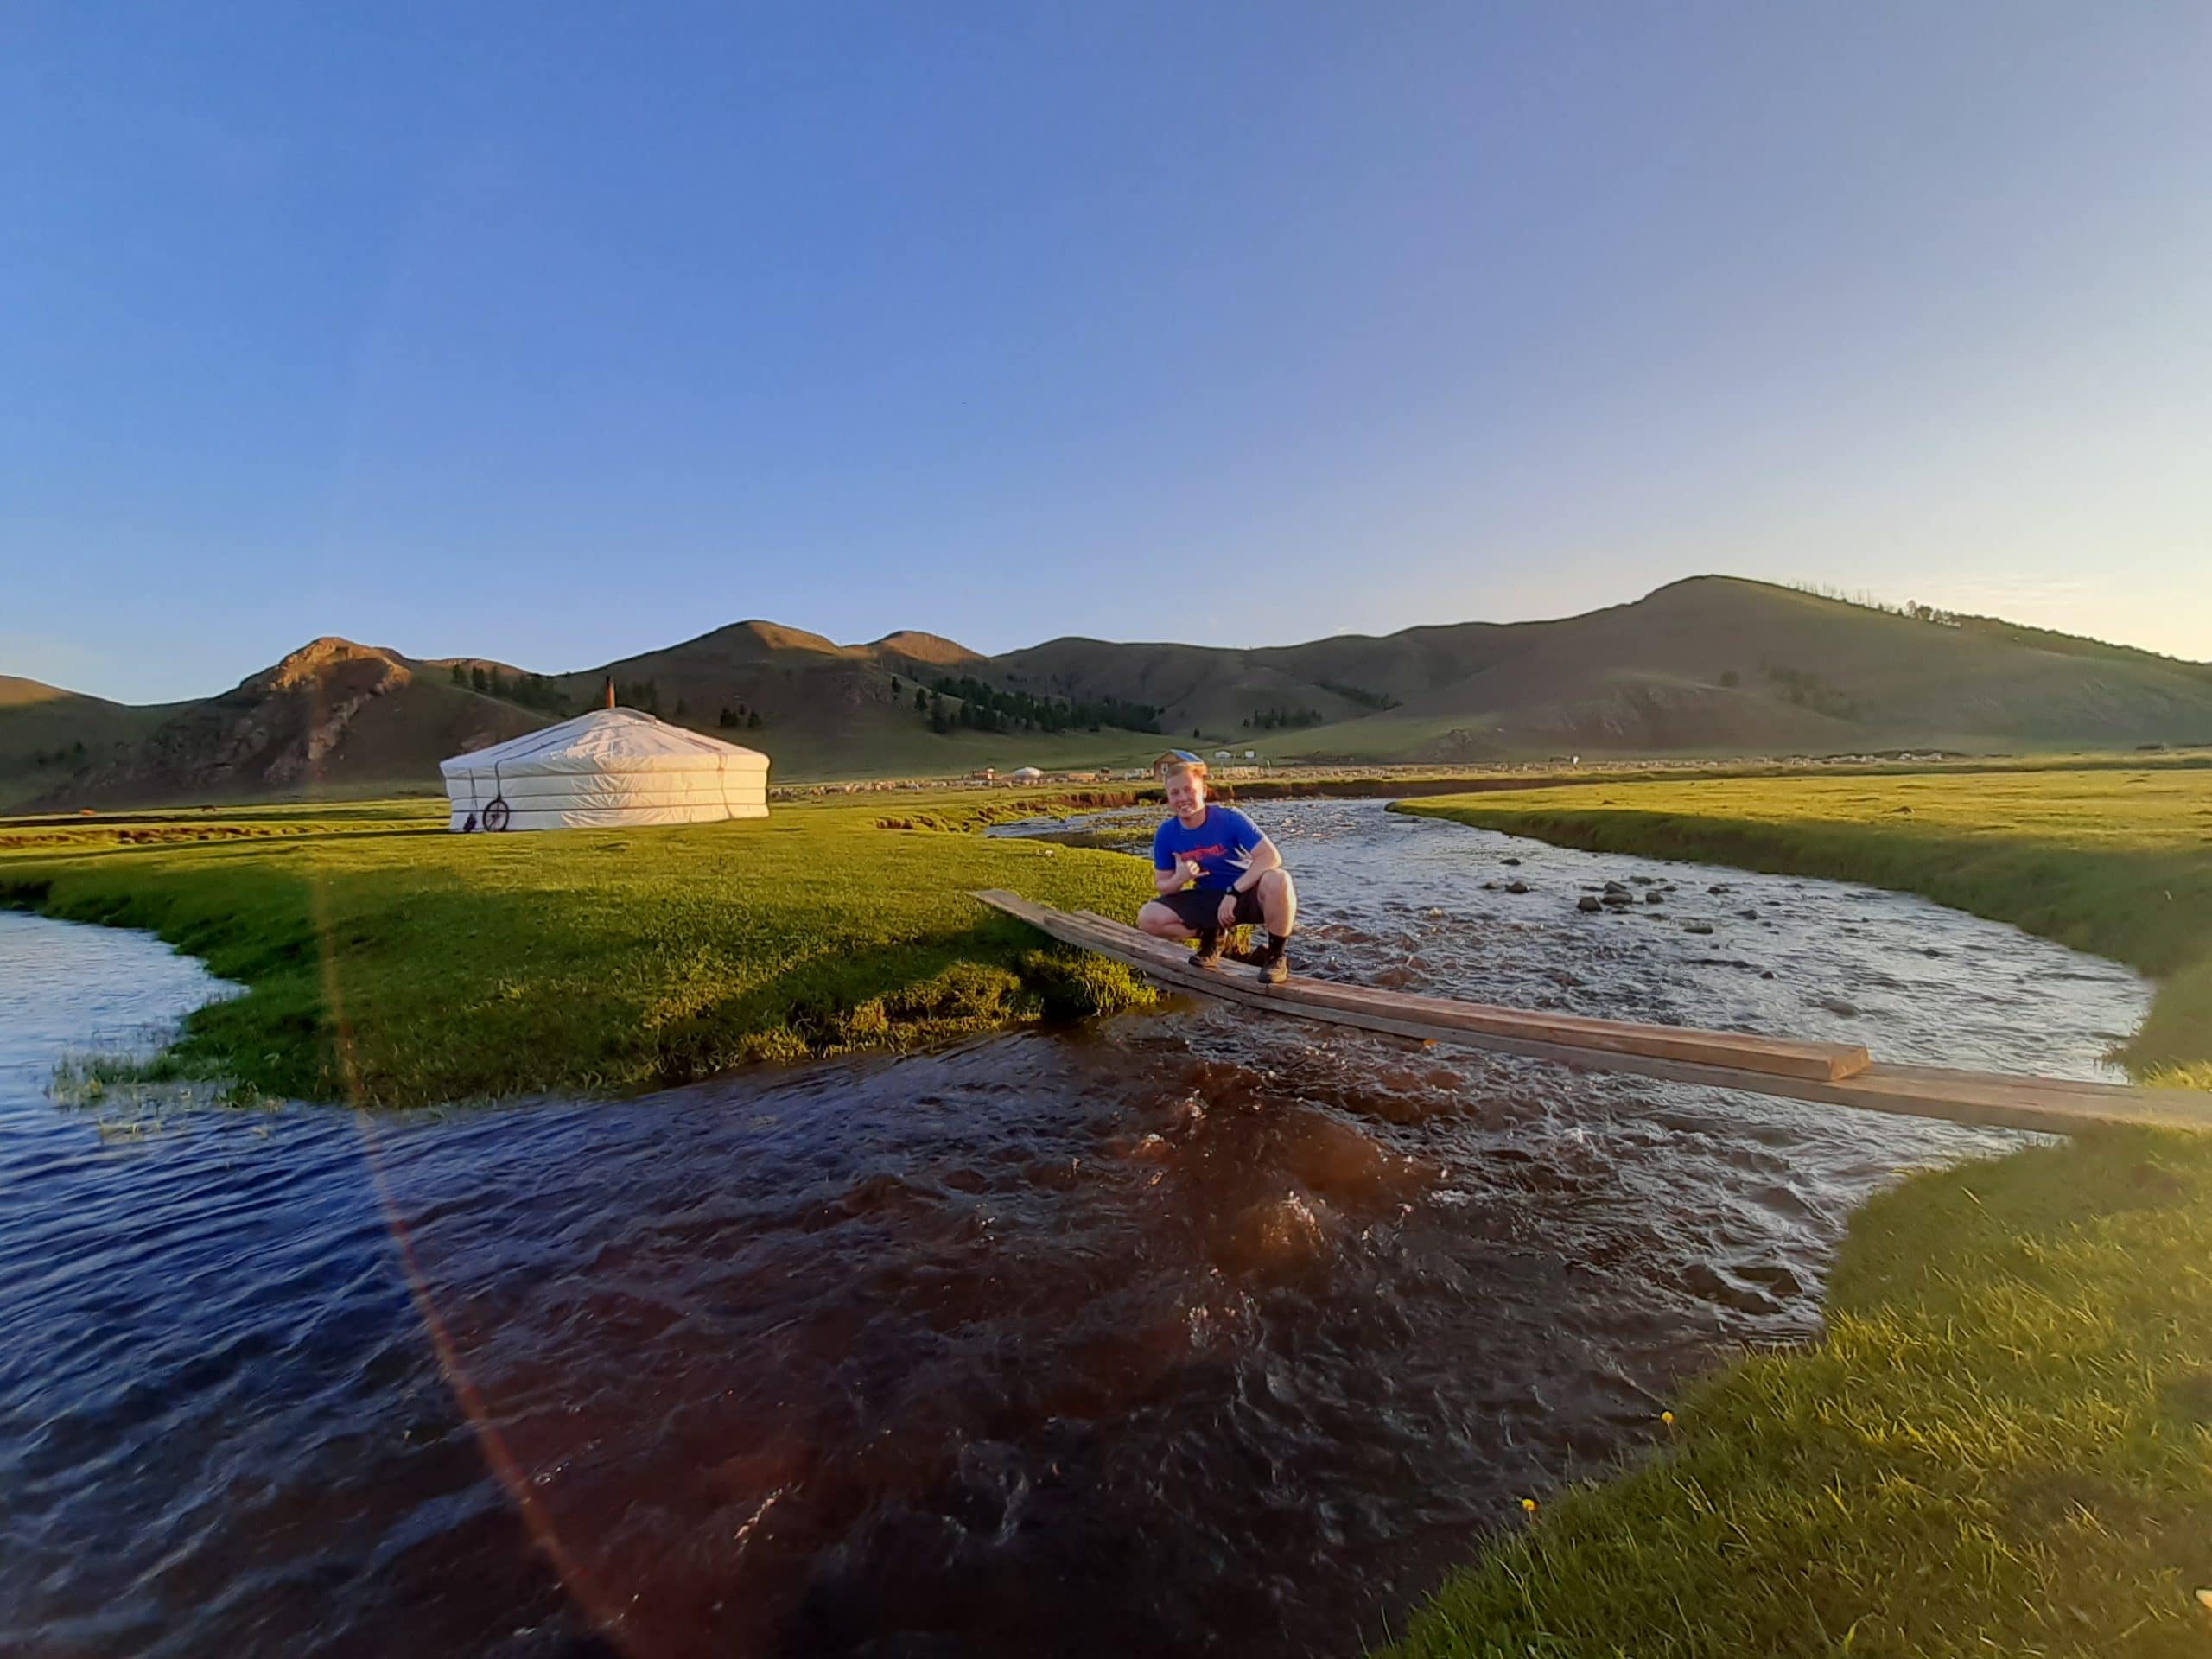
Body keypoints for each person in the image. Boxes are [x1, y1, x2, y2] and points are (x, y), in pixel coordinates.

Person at [1137, 757, 1298, 983]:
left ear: (1203, 790)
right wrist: (1180, 878)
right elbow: (1162, 886)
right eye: (1175, 793)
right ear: (1168, 797)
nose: (1182, 798)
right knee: (1148, 917)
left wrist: (1234, 892)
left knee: (1279, 880)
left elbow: (1271, 857)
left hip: (1246, 893)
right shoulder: (1166, 833)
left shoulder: (1230, 819)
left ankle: (1275, 956)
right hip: (1208, 899)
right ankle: (1212, 936)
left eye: (1188, 790)